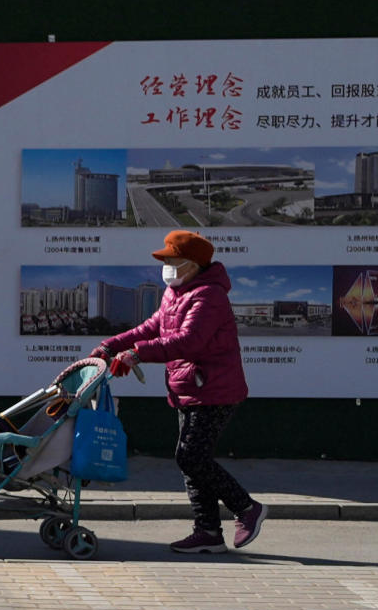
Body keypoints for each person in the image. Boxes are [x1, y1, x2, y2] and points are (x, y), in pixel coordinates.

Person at [103, 230, 260, 555]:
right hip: (188, 387)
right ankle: (207, 532)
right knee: (192, 461)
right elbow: (150, 328)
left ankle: (246, 507)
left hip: (214, 389)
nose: (167, 266)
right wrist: (110, 346)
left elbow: (190, 341)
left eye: (172, 260)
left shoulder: (209, 296)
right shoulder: (174, 294)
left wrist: (137, 354)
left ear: (193, 264)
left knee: (189, 456)